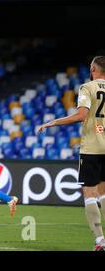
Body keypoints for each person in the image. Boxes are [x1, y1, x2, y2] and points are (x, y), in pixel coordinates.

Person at [39, 56, 105, 251]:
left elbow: (81, 115)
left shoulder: (87, 87)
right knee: (103, 193)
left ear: (93, 68)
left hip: (92, 148)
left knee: (90, 193)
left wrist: (54, 122)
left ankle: (100, 240)